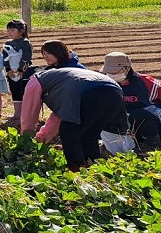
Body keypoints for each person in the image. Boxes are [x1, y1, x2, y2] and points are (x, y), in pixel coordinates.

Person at [21, 40, 129, 171]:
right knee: (89, 134)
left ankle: (76, 169)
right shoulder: (62, 78)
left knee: (69, 132)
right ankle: (93, 168)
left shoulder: (35, 81)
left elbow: (29, 113)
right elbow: (59, 115)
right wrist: (42, 138)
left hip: (94, 93)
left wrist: (25, 139)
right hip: (115, 92)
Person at [99, 52, 161, 147]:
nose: (111, 74)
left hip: (150, 123)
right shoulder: (106, 85)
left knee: (138, 113)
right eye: (109, 72)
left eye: (115, 71)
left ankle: (153, 143)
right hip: (123, 124)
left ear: (127, 68)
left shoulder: (145, 82)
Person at [2, 20, 33, 122]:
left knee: (23, 92)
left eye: (12, 30)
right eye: (8, 30)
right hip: (11, 73)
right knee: (14, 91)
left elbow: (26, 58)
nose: (9, 32)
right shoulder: (7, 43)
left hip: (23, 72)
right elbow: (5, 58)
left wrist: (21, 69)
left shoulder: (25, 43)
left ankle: (24, 114)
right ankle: (17, 113)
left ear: (21, 31)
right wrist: (8, 70)